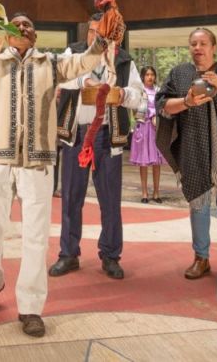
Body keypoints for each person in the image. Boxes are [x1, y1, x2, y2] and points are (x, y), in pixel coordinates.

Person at [0, 12, 110, 339]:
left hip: (38, 163)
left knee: (36, 237)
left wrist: (101, 41)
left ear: (35, 36)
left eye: (29, 24)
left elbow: (85, 62)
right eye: (16, 23)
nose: (23, 26)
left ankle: (30, 307)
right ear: (6, 33)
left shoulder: (51, 63)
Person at [156, 28, 217, 285]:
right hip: (193, 149)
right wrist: (187, 101)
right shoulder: (180, 74)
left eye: (203, 43)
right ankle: (201, 258)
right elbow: (162, 105)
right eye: (193, 44)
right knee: (198, 206)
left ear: (214, 48)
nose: (197, 48)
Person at [50, 14, 146, 280]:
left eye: (102, 32)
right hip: (77, 136)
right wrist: (84, 82)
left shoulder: (123, 60)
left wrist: (122, 94)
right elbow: (60, 77)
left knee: (110, 200)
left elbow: (139, 96)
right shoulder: (73, 53)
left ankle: (111, 255)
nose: (97, 37)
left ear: (112, 35)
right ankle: (68, 254)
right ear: (87, 33)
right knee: (71, 197)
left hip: (107, 135)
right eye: (93, 31)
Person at [130, 66, 167, 203]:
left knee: (156, 162)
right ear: (143, 77)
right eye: (147, 75)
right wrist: (149, 115)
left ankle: (156, 193)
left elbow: (163, 107)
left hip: (156, 128)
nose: (150, 77)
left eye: (152, 74)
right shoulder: (139, 92)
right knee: (143, 162)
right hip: (143, 127)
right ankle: (144, 193)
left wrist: (158, 116)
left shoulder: (159, 91)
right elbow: (133, 109)